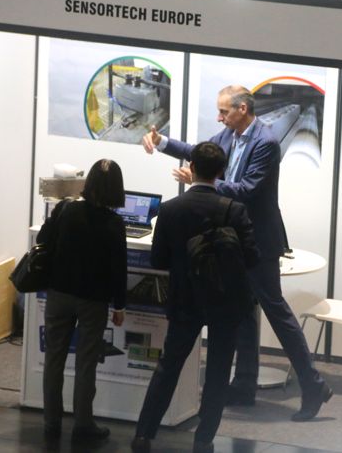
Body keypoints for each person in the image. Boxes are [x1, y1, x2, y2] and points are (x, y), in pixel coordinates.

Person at [141, 85, 332, 421]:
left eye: (224, 111)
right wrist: (163, 143)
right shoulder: (229, 135)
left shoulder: (266, 142)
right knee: (243, 311)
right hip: (235, 239)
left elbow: (247, 189)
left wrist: (203, 182)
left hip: (258, 241)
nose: (219, 117)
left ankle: (313, 385)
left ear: (242, 109)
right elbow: (200, 152)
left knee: (276, 312)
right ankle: (244, 385)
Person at [131, 142, 260, 453]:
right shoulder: (234, 210)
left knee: (169, 366)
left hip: (184, 299)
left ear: (191, 167)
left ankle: (144, 435)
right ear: (221, 172)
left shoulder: (170, 209)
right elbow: (252, 258)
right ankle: (204, 439)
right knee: (218, 371)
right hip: (224, 302)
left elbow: (159, 260)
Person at [39, 159, 127, 442]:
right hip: (93, 301)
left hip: (59, 294)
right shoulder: (115, 224)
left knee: (54, 359)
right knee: (86, 363)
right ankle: (83, 425)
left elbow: (43, 239)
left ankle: (51, 423)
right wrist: (119, 305)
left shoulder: (66, 210)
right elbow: (119, 270)